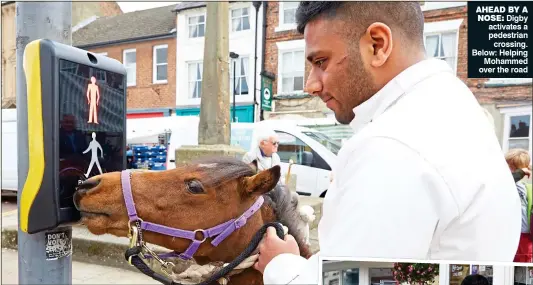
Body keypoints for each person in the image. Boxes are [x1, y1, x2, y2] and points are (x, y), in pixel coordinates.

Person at [253, 2, 521, 284]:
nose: (311, 85)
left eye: (321, 62)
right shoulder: (458, 107)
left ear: (378, 46)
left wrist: (280, 265)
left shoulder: (391, 145)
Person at [505, 149, 533, 263]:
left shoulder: (528, 189)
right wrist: (519, 173)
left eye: (514, 168)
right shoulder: (505, 185)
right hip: (509, 236)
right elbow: (506, 182)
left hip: (526, 238)